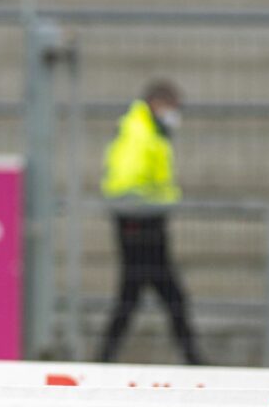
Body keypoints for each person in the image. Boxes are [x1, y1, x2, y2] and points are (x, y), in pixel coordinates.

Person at [97, 80, 204, 365]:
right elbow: (126, 180)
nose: (175, 114)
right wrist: (146, 206)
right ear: (158, 104)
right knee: (166, 296)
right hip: (140, 222)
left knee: (134, 296)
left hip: (147, 220)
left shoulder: (148, 131)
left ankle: (104, 358)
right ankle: (194, 360)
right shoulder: (140, 132)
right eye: (172, 108)